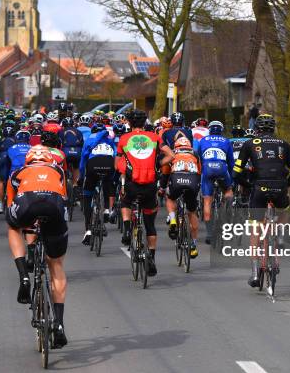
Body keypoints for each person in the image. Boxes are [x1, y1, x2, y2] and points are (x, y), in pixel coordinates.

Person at [6, 145, 68, 348]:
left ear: (28, 159)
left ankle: (24, 275)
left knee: (13, 226)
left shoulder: (18, 172)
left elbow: (11, 203)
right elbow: (65, 198)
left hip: (27, 202)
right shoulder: (58, 171)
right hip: (54, 205)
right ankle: (58, 324)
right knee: (56, 264)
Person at [232, 114, 290, 288]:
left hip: (259, 188)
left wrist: (248, 185)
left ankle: (255, 274)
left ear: (257, 129)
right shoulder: (284, 144)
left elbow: (236, 173)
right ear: (273, 129)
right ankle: (280, 239)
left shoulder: (249, 144)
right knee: (283, 211)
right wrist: (285, 184)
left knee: (256, 230)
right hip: (280, 188)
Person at [116, 110, 174, 276]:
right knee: (150, 225)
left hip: (133, 184)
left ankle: (127, 229)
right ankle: (152, 258)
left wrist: (123, 170)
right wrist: (158, 166)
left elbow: (118, 162)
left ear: (129, 123)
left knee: (126, 202)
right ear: (145, 122)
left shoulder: (124, 139)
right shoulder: (154, 138)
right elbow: (171, 155)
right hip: (150, 186)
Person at [197, 120, 235, 243]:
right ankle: (228, 207)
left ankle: (209, 234)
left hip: (207, 170)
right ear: (221, 130)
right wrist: (232, 179)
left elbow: (199, 157)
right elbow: (231, 162)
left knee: (207, 201)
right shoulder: (226, 141)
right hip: (222, 169)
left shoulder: (203, 140)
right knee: (228, 191)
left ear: (209, 130)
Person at [79, 123, 117, 245]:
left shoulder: (90, 139)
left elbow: (83, 159)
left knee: (87, 194)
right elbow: (115, 155)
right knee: (108, 181)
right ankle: (106, 209)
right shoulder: (110, 139)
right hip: (109, 163)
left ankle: (88, 230)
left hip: (93, 164)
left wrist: (81, 177)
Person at [166, 137, 201, 258]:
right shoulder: (195, 153)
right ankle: (193, 245)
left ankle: (173, 220)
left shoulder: (172, 152)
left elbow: (165, 172)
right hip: (192, 179)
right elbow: (199, 171)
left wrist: (162, 186)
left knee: (170, 198)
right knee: (192, 212)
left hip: (177, 178)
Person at [0, 125, 17, 214]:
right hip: (13, 158)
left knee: (1, 181)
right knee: (14, 180)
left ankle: (0, 205)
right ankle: (14, 203)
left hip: (2, 157)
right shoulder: (15, 140)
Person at [60, 117, 84, 188]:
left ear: (63, 125)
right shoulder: (78, 131)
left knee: (64, 167)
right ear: (73, 124)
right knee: (76, 167)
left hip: (65, 152)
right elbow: (82, 143)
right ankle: (75, 184)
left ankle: (64, 183)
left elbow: (58, 144)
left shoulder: (61, 132)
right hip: (77, 151)